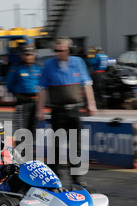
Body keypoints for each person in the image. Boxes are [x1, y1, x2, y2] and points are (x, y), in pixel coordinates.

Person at [36, 36, 97, 186]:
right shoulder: (48, 65)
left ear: (68, 50)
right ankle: (54, 177)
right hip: (58, 111)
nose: (58, 53)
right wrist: (40, 109)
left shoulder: (78, 63)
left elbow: (87, 85)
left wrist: (91, 104)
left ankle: (76, 178)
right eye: (56, 50)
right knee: (56, 144)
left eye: (61, 50)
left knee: (76, 145)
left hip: (74, 110)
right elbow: (42, 89)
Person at [6, 45, 42, 159]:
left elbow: (44, 85)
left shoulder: (39, 68)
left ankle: (30, 157)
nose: (28, 57)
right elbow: (9, 85)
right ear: (21, 56)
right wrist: (19, 94)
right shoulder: (16, 68)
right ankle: (18, 158)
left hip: (36, 104)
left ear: (34, 55)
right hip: (22, 103)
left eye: (30, 54)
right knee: (20, 132)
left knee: (32, 131)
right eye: (26, 54)